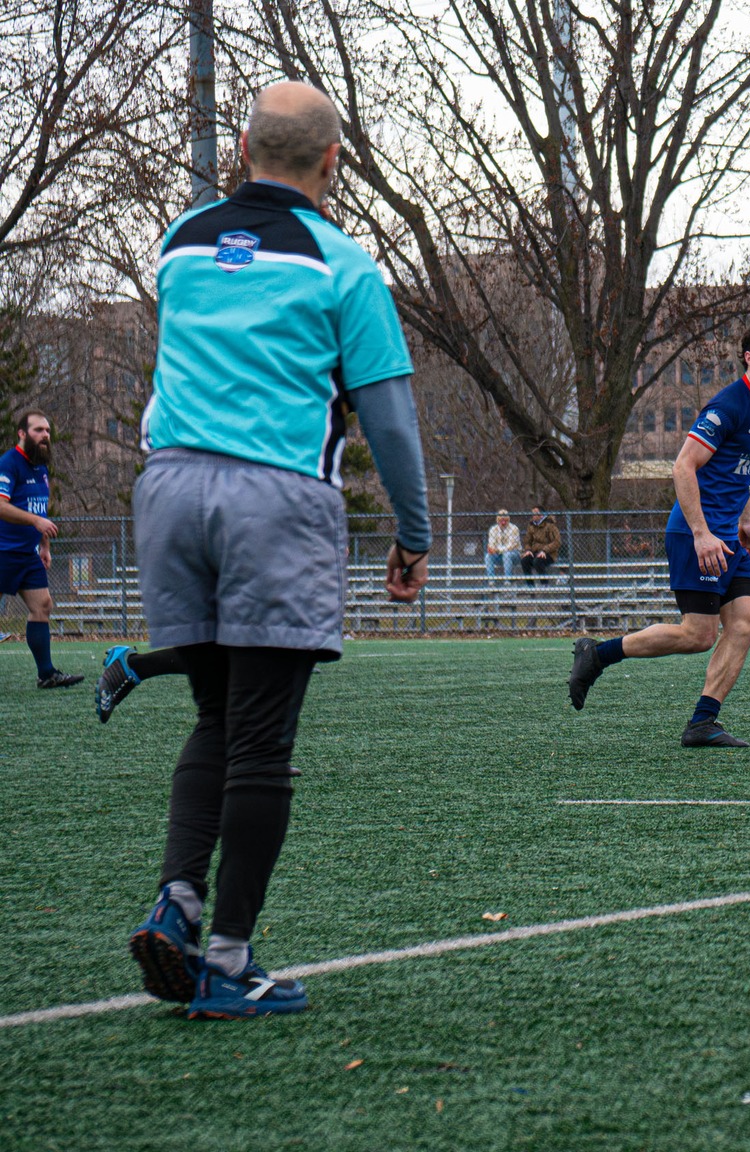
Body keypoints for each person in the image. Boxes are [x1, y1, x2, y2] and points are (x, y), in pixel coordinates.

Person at [124, 81, 431, 1020]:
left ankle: (177, 903)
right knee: (262, 739)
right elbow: (389, 420)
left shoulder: (180, 244)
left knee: (214, 717)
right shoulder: (344, 267)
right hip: (273, 495)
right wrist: (412, 537)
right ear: (333, 162)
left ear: (243, 146)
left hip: (169, 490)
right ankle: (227, 959)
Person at [566, 319, 750, 747]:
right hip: (696, 536)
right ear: (749, 359)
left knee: (745, 624)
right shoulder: (727, 407)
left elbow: (745, 469)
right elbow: (683, 466)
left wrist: (746, 521)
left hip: (728, 536)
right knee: (698, 635)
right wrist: (702, 533)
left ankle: (703, 722)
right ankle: (597, 655)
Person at [0, 411, 84, 688]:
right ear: (22, 434)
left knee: (42, 606)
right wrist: (36, 521)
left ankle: (46, 674)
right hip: (4, 551)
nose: (45, 435)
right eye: (38, 430)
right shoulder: (9, 463)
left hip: (28, 554)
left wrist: (44, 544)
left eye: (47, 430)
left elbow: (40, 509)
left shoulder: (42, 468)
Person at [521, 506, 559, 577]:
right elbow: (527, 540)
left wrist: (544, 550)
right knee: (524, 561)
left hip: (548, 553)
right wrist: (528, 550)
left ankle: (544, 584)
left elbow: (557, 542)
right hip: (534, 552)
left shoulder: (550, 526)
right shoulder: (531, 525)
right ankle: (530, 586)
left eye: (535, 513)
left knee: (537, 562)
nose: (533, 515)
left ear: (541, 515)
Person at [485, 509, 520, 585]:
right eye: (501, 520)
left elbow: (511, 546)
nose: (503, 522)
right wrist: (492, 549)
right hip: (499, 555)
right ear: (497, 520)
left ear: (508, 520)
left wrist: (497, 550)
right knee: (488, 556)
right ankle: (491, 581)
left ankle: (508, 580)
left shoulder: (514, 529)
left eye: (505, 520)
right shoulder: (493, 529)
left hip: (514, 555)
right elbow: (491, 544)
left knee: (507, 555)